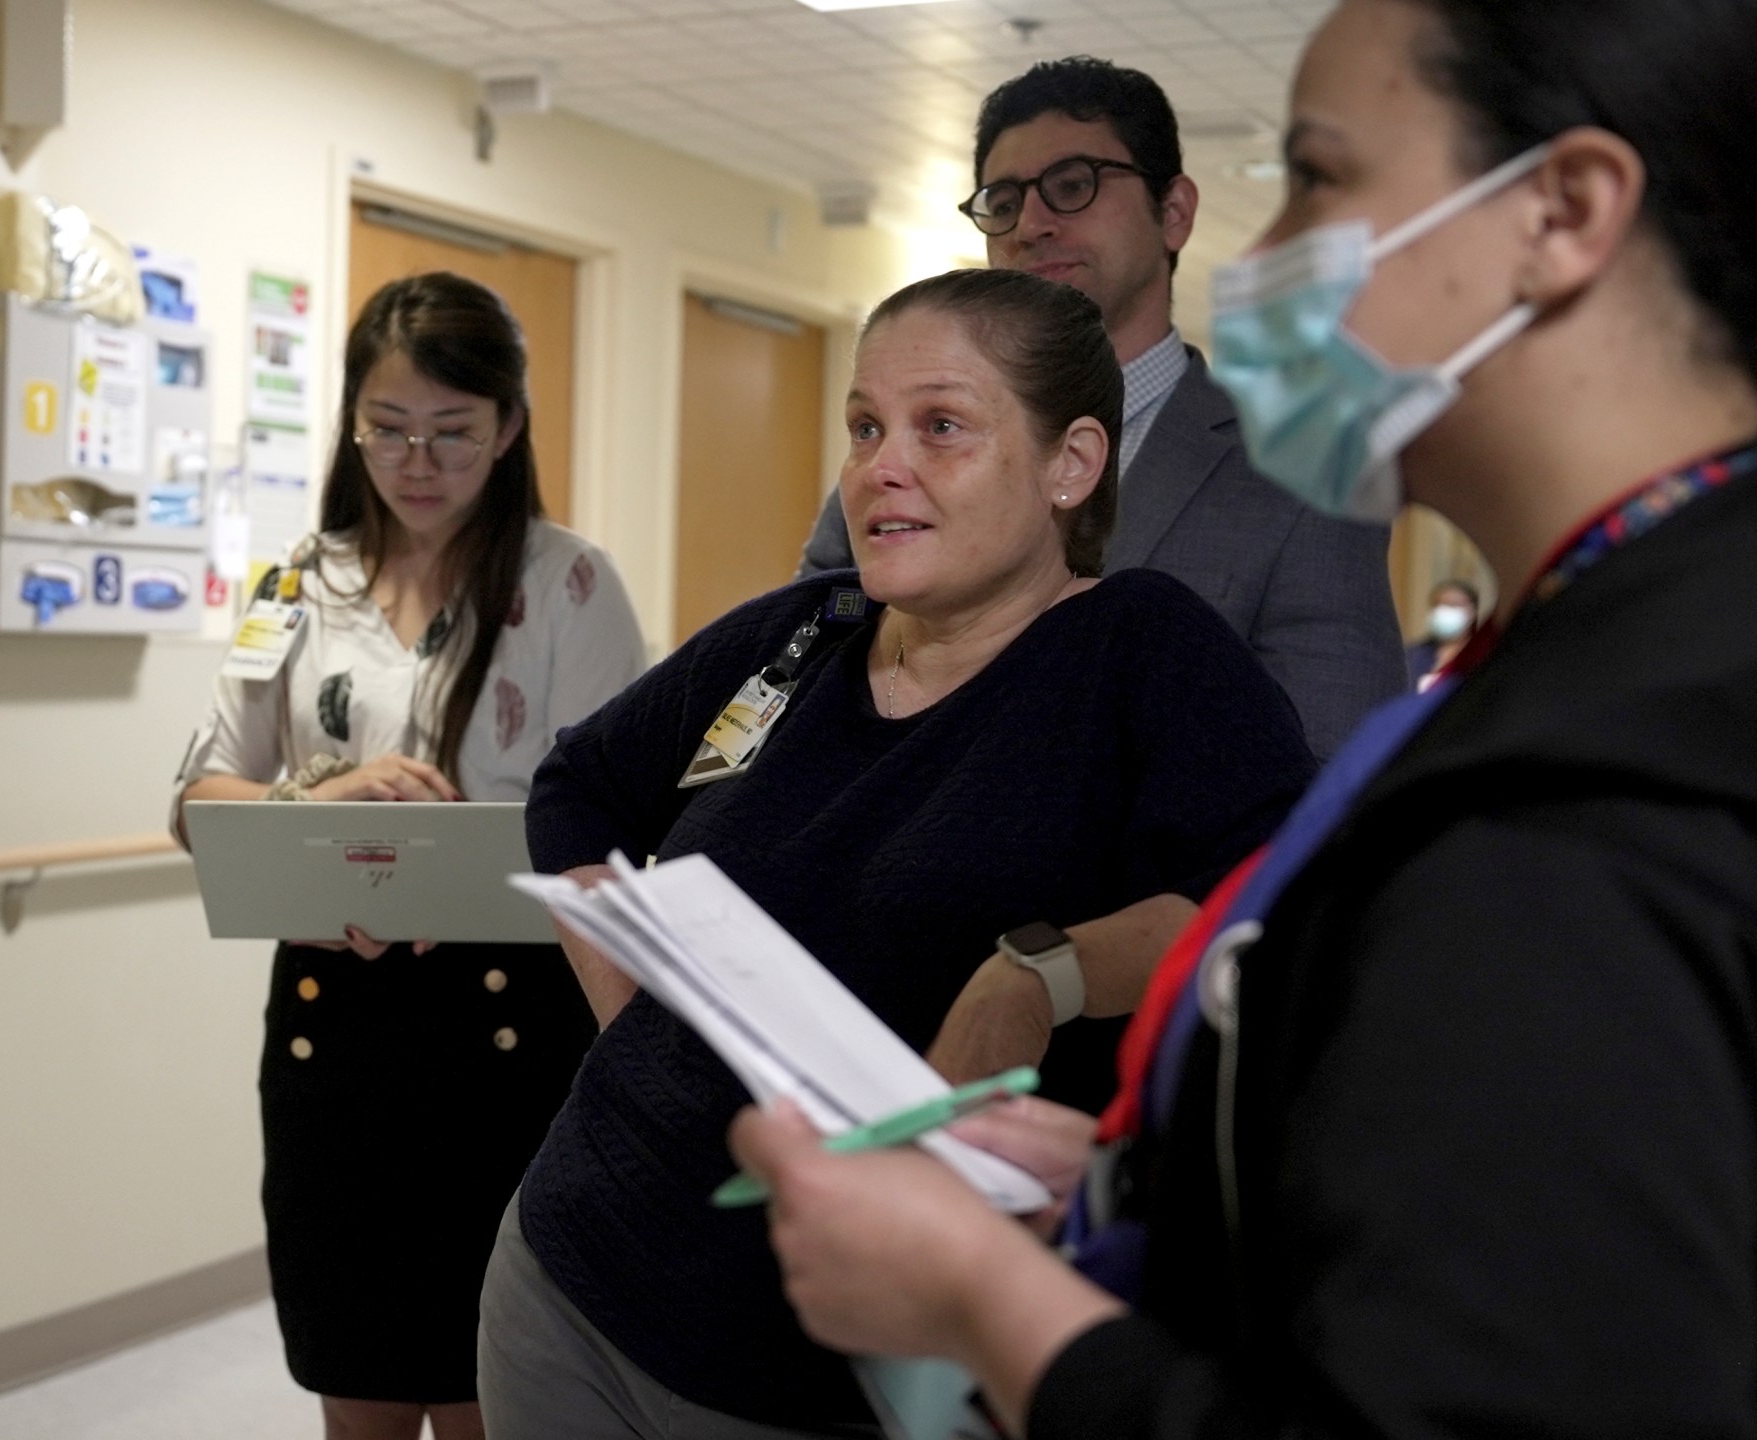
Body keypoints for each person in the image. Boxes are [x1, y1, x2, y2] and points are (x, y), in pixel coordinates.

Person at [729, 2, 1757, 1436]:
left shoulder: (1582, 824)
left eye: (1320, 177)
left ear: (1561, 213)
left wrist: (990, 1308)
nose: (1265, 258)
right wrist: (1183, 1179)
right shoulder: (1684, 614)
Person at [477, 268, 1316, 1438]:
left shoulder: (1139, 651)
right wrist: (631, 1005)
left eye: (942, 428)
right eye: (864, 427)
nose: (881, 465)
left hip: (835, 1372)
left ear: (1071, 463)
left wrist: (1035, 972)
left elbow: (1267, 902)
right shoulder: (801, 633)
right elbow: (579, 784)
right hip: (568, 1276)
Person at [173, 273, 646, 1440]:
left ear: (509, 431)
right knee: (361, 1369)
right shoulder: (295, 581)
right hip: (334, 1020)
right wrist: (322, 793)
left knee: (497, 1377)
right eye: (386, 429)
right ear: (351, 423)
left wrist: (444, 868)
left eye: (452, 433)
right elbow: (199, 794)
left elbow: (615, 819)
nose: (416, 461)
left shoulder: (568, 583)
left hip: (512, 1023)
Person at [798, 57, 1403, 762]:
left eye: (1071, 185)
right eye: (1003, 199)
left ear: (1173, 212)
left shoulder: (1300, 470)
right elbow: (796, 676)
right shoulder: (903, 459)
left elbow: (1331, 770)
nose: (1030, 224)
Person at [1404, 576, 1478, 689]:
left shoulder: (1481, 654)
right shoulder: (1412, 656)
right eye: (1439, 605)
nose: (1445, 611)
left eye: (1454, 605)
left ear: (1472, 612)